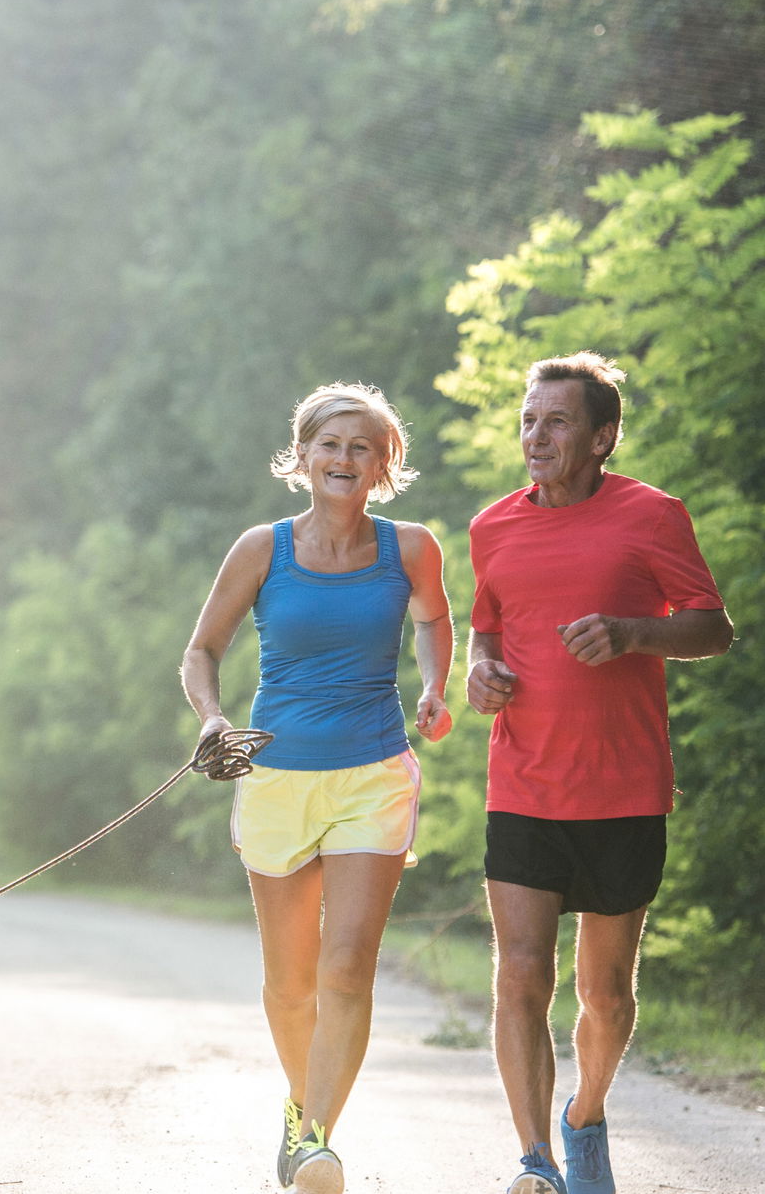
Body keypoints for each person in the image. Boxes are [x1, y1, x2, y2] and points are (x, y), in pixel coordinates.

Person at [465, 352, 733, 1194]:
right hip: (524, 782)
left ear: (602, 435)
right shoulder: (491, 527)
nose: (536, 436)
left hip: (622, 787)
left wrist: (631, 632)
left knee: (607, 996)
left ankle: (585, 1115)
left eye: (556, 421)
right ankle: (535, 1160)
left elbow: (713, 628)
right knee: (519, 972)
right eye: (528, 420)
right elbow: (487, 628)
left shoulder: (653, 516)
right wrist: (479, 670)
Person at [182, 382, 455, 1194]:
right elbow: (202, 650)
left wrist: (434, 684)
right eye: (329, 445)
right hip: (275, 778)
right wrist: (210, 719)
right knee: (290, 982)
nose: (343, 459)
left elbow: (435, 619)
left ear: (383, 463)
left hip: (373, 774)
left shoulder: (410, 547)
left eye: (360, 447)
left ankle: (317, 1142)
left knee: (347, 967)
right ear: (301, 457)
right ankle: (301, 1110)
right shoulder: (261, 549)